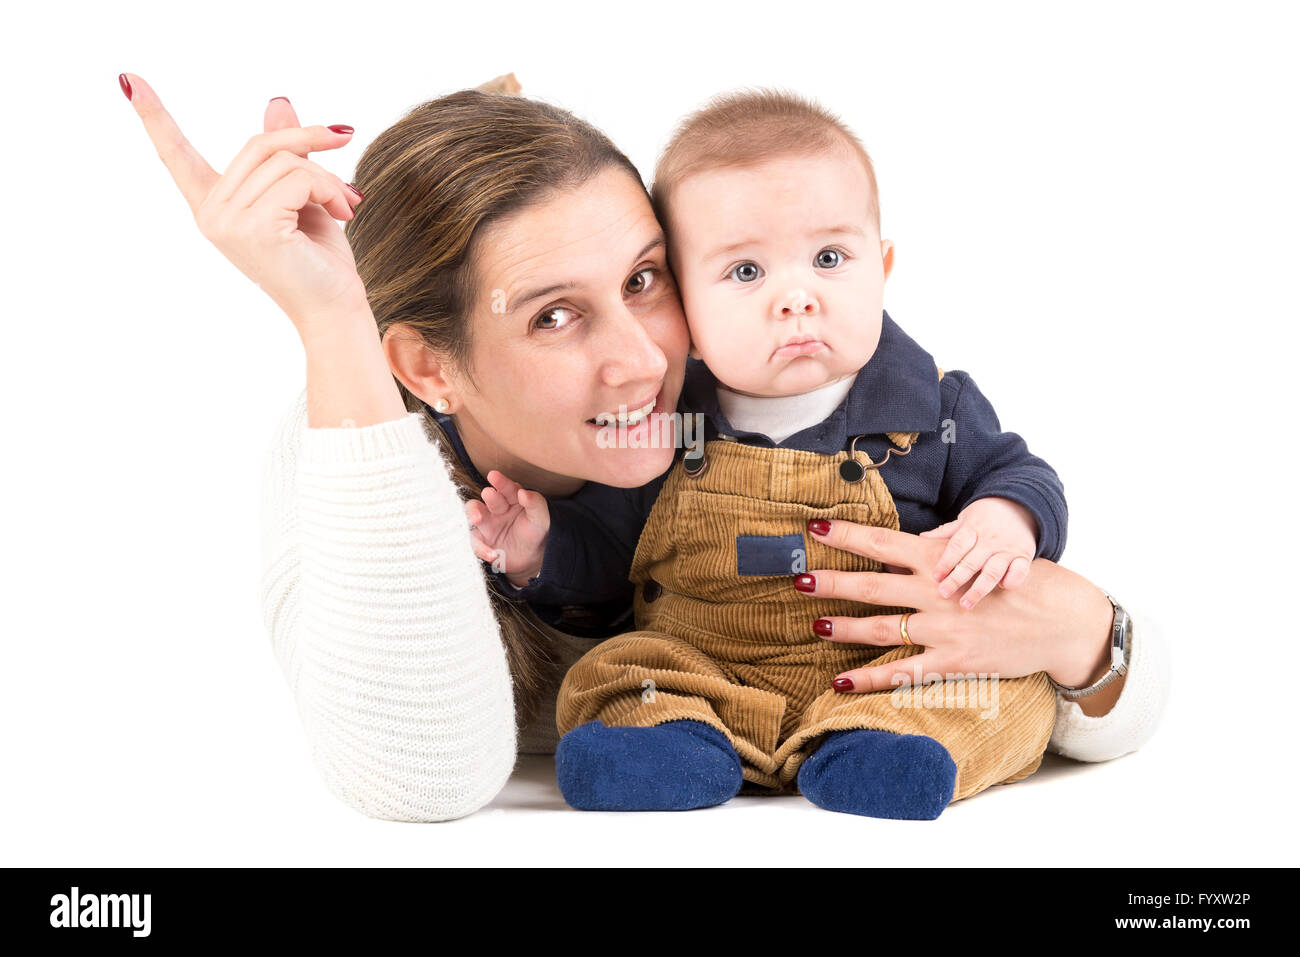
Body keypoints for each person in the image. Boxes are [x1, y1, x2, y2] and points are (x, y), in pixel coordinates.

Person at [121, 71, 1171, 823]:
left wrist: (1089, 635)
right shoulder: (350, 466)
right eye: (552, 316)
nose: (640, 362)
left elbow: (1095, 698)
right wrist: (333, 329)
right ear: (426, 369)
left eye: (643, 279)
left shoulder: (763, 386)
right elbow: (426, 781)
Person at [471, 89, 1072, 819]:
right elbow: (609, 545)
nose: (796, 297)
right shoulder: (671, 421)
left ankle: (880, 755)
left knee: (1005, 692)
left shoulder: (932, 407)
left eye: (828, 257)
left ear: (881, 267)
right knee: (619, 670)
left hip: (884, 672)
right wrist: (541, 550)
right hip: (705, 670)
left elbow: (1019, 471)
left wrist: (1006, 517)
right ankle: (668, 747)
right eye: (746, 272)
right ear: (685, 307)